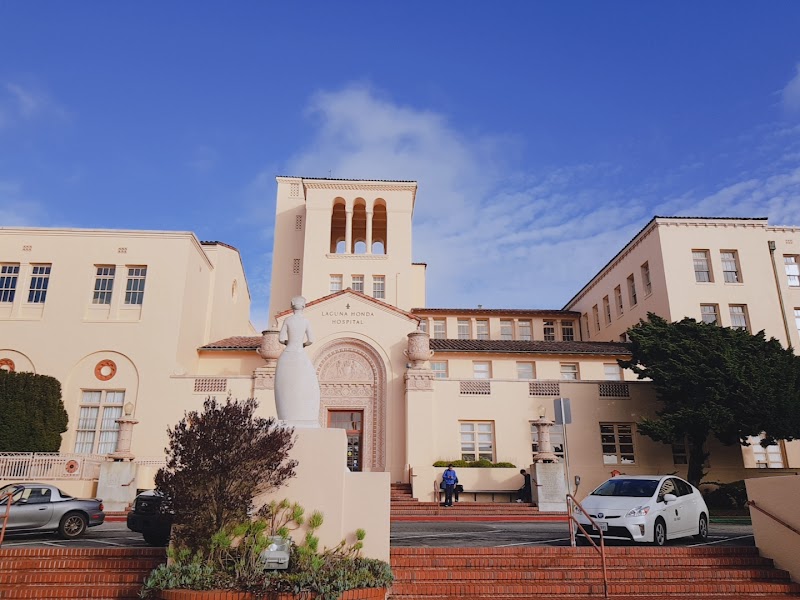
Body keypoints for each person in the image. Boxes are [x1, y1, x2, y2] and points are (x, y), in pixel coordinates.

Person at [274, 296, 321, 427]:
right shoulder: (305, 321)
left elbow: (281, 338)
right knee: (306, 383)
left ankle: (287, 415)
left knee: (287, 384)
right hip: (300, 353)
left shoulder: (288, 320)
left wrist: (289, 342)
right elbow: (311, 339)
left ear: (292, 306)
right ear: (303, 307)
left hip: (287, 354)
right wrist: (303, 344)